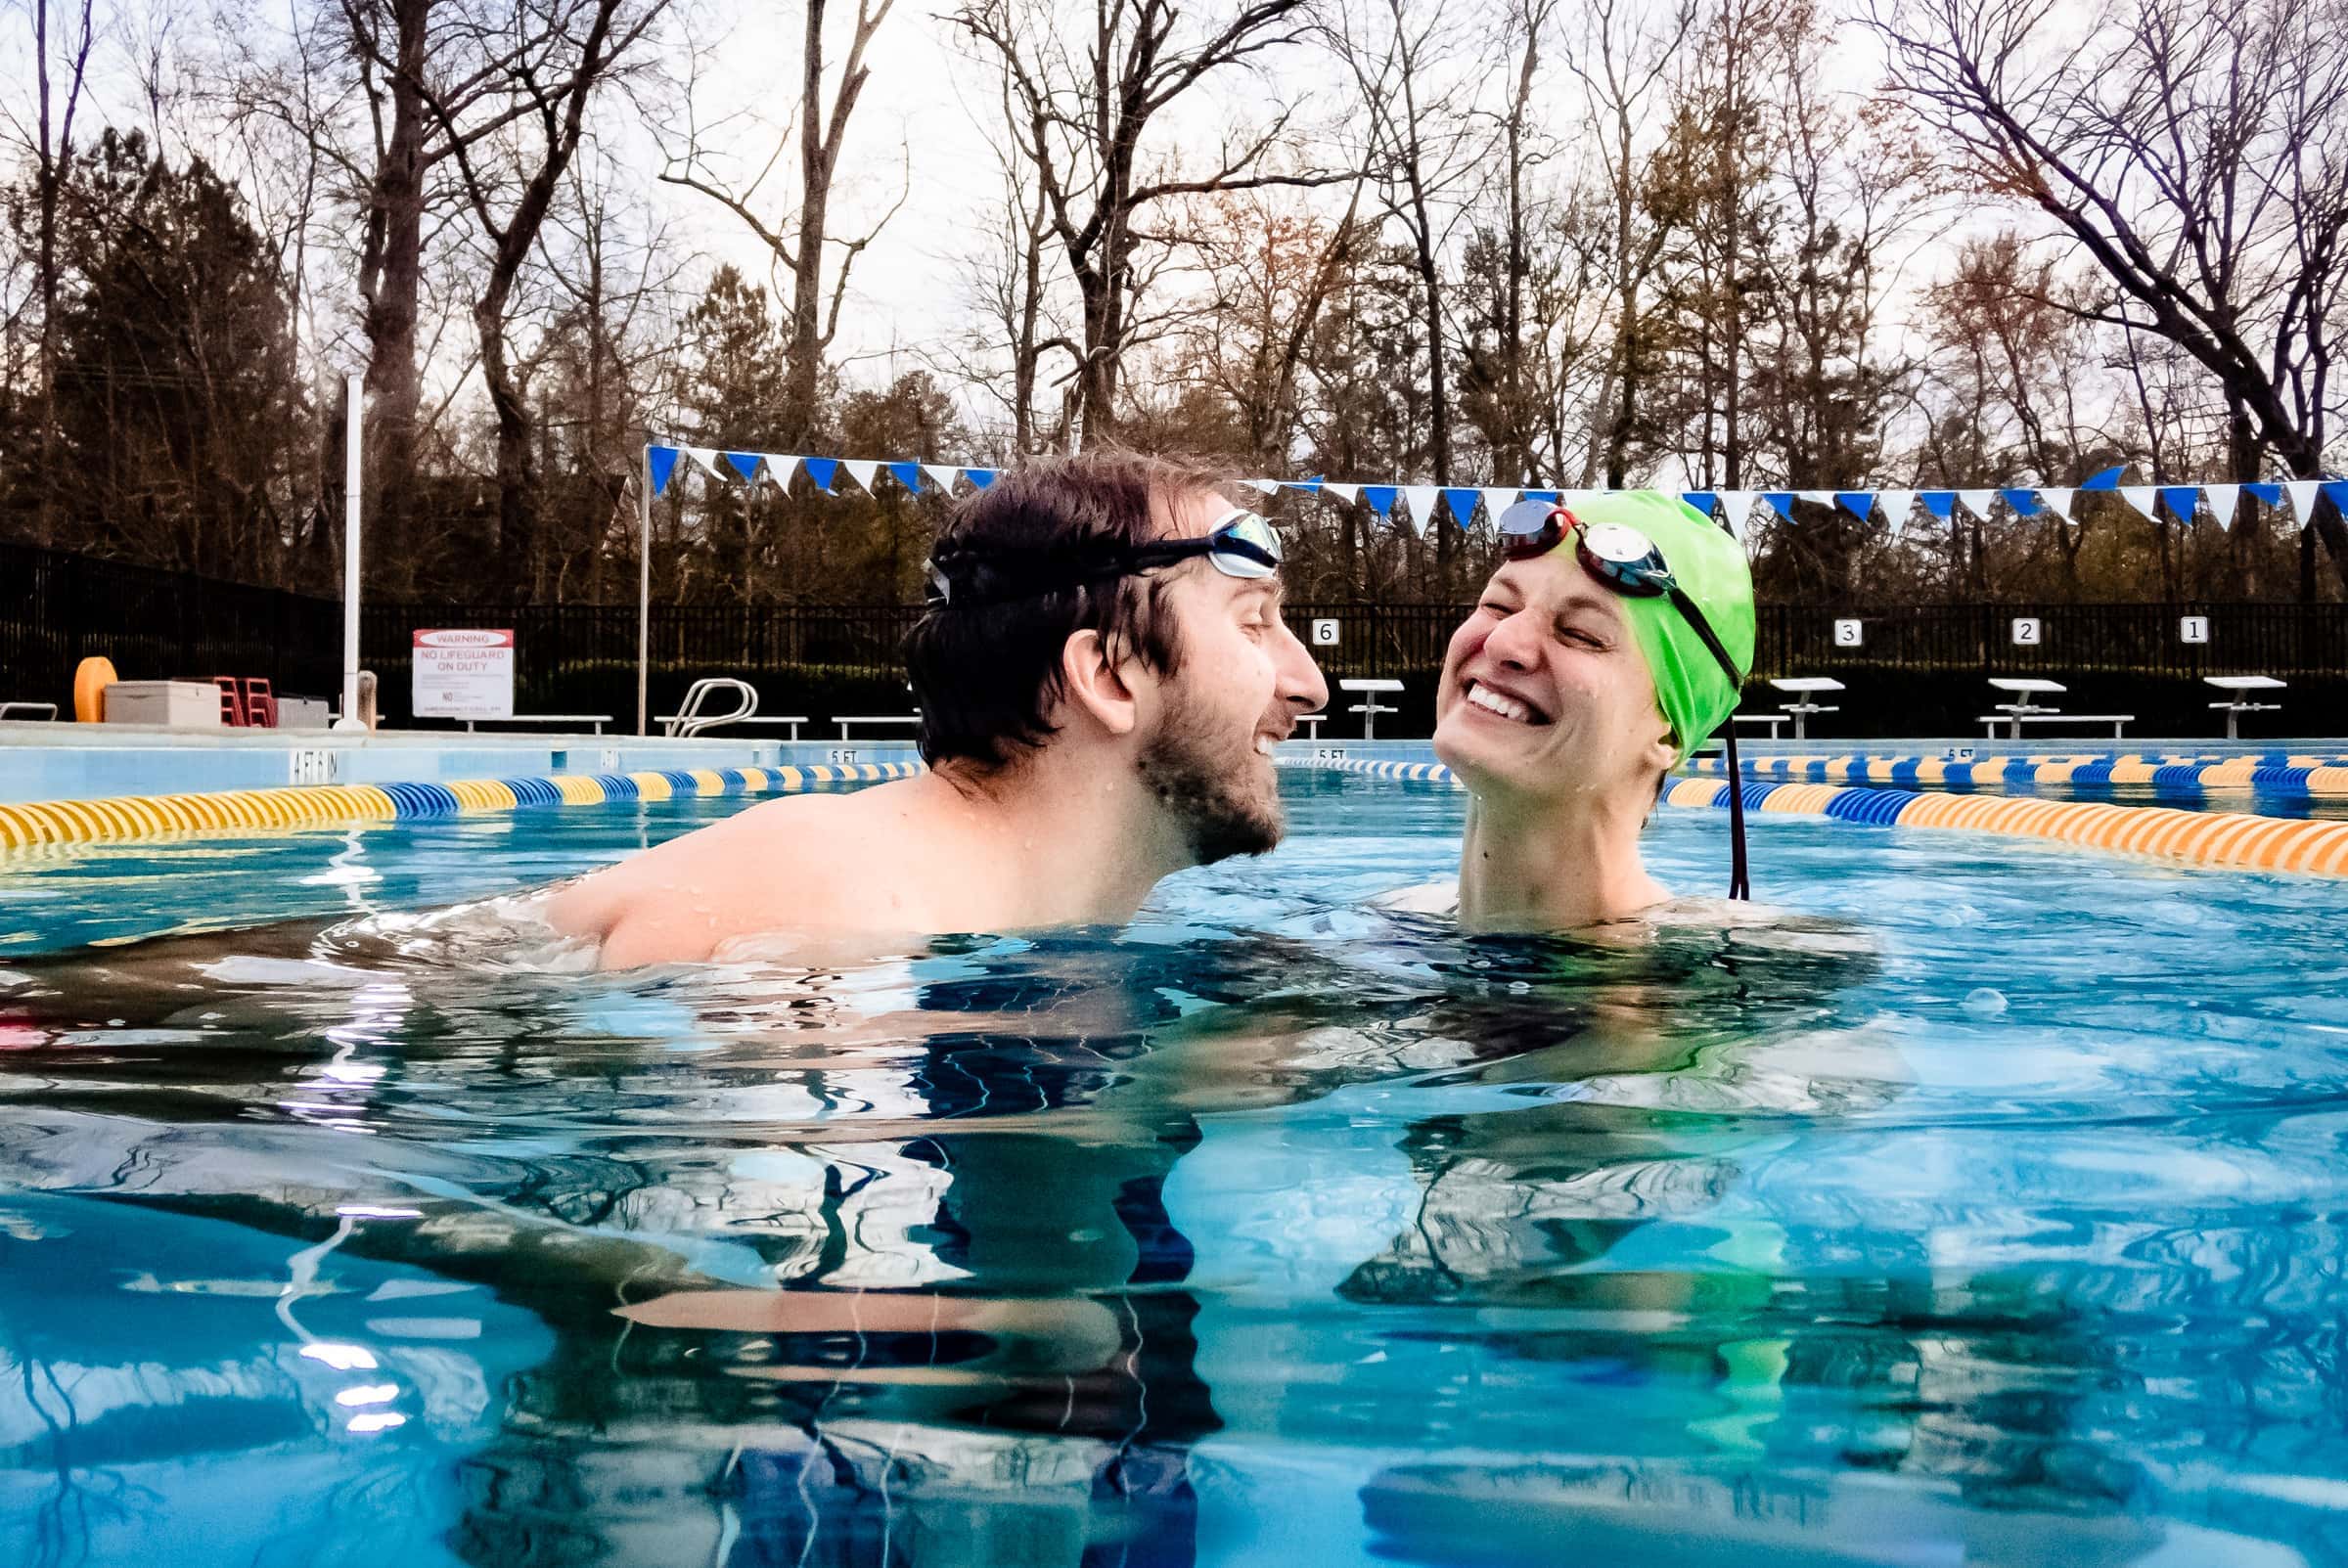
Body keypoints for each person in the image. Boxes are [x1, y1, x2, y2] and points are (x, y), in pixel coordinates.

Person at [548, 451, 1329, 966]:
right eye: (1254, 621)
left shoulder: (978, 922)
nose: (1308, 685)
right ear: (1108, 675)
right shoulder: (831, 909)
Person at [1408, 488, 1757, 931]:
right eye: (1499, 606)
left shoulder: (1756, 973)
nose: (1502, 642)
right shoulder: (1385, 926)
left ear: (1669, 733)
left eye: (1581, 633)